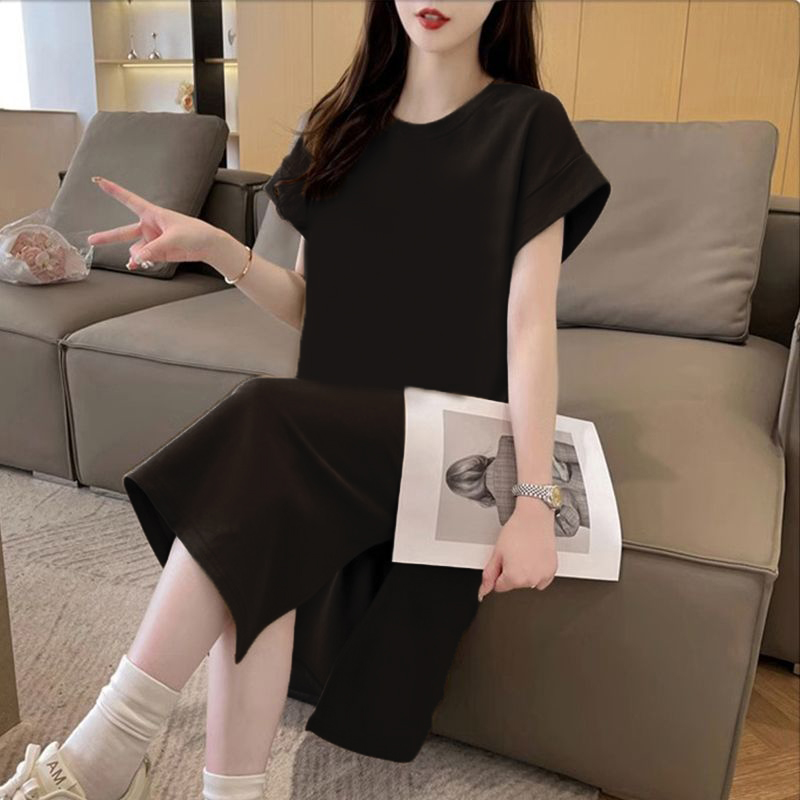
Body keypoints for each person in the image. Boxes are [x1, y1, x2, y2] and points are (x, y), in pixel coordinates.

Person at [0, 1, 611, 798]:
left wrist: (533, 500)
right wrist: (221, 250)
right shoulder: (342, 123)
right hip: (332, 428)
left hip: (442, 442)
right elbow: (315, 307)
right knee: (260, 514)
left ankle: (105, 751)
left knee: (264, 428)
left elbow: (527, 330)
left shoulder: (529, 124)